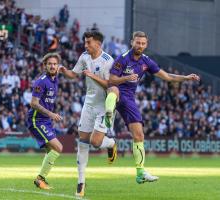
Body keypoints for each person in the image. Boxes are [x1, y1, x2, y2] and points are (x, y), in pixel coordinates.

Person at [104, 31, 200, 184]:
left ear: (146, 45)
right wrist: (127, 78)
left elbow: (167, 76)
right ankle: (108, 114)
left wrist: (186, 78)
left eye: (143, 43)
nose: (140, 45)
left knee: (139, 135)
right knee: (113, 91)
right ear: (132, 42)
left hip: (129, 99)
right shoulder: (122, 59)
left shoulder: (146, 61)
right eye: (137, 42)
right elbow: (111, 79)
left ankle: (140, 172)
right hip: (116, 92)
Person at [59, 30, 117, 197]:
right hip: (88, 104)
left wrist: (92, 76)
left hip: (104, 106)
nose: (85, 45)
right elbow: (73, 74)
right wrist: (64, 71)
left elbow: (111, 86)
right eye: (85, 42)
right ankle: (81, 182)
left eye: (88, 42)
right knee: (83, 141)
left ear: (98, 44)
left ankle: (111, 144)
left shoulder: (108, 61)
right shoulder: (84, 57)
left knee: (96, 141)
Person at [26, 52, 63, 190]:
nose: (52, 66)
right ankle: (39, 179)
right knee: (58, 148)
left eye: (55, 64)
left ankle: (41, 180)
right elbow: (33, 103)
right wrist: (51, 114)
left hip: (45, 120)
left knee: (51, 151)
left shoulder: (55, 79)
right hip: (37, 120)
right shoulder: (41, 81)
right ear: (45, 66)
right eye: (50, 64)